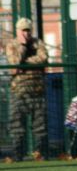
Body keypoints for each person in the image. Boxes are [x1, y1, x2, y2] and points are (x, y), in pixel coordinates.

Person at [5, 18, 48, 161]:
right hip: (19, 91)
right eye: (23, 30)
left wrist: (26, 63)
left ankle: (41, 153)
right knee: (17, 125)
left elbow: (43, 58)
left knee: (40, 126)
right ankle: (18, 155)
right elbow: (14, 62)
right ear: (17, 31)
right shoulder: (12, 45)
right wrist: (23, 47)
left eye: (28, 30)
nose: (26, 33)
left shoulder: (38, 43)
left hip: (37, 90)